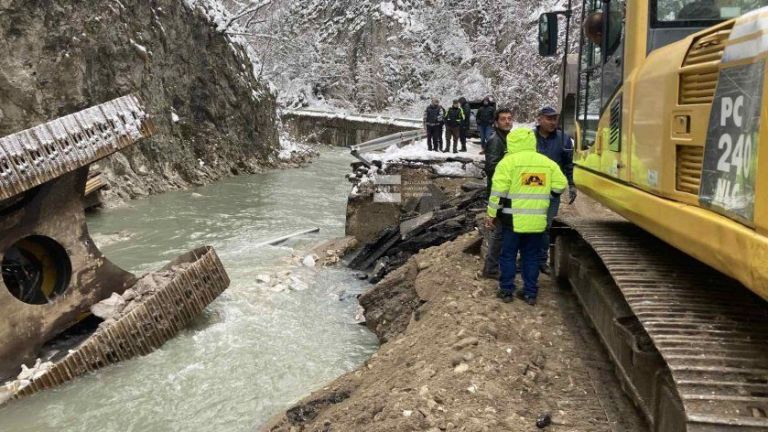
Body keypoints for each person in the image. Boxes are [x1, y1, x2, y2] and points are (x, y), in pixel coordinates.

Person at [486, 128, 567, 305]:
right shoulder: (546, 162)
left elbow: (498, 193)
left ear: (511, 142)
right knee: (531, 256)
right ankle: (530, 293)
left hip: (511, 221)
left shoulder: (507, 163)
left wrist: (492, 214)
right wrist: (549, 195)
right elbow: (561, 184)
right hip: (537, 220)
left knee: (508, 255)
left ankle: (507, 290)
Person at [534, 106, 576, 274]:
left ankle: (542, 261)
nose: (553, 122)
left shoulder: (563, 139)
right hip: (530, 189)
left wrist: (571, 184)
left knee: (545, 226)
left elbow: (568, 164)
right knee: (526, 225)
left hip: (551, 192)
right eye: (549, 119)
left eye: (555, 119)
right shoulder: (530, 138)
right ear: (539, 119)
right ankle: (525, 258)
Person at [480, 108, 514, 280]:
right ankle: (491, 268)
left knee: (502, 230)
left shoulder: (508, 139)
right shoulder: (495, 140)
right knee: (499, 231)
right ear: (496, 122)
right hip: (498, 192)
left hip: (504, 191)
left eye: (509, 119)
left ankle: (494, 265)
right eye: (503, 119)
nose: (507, 121)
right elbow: (491, 168)